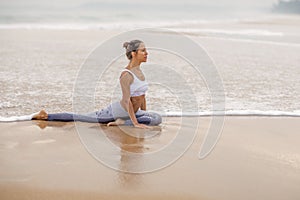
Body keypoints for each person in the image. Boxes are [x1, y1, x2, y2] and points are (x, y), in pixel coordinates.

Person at [32, 40, 162, 129]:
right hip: (118, 111)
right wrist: (135, 123)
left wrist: (144, 114)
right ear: (134, 54)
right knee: (82, 117)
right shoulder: (126, 75)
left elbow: (142, 96)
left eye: (146, 50)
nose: (147, 53)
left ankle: (123, 122)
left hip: (132, 113)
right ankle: (46, 115)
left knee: (156, 118)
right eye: (143, 51)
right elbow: (127, 101)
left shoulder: (139, 71)